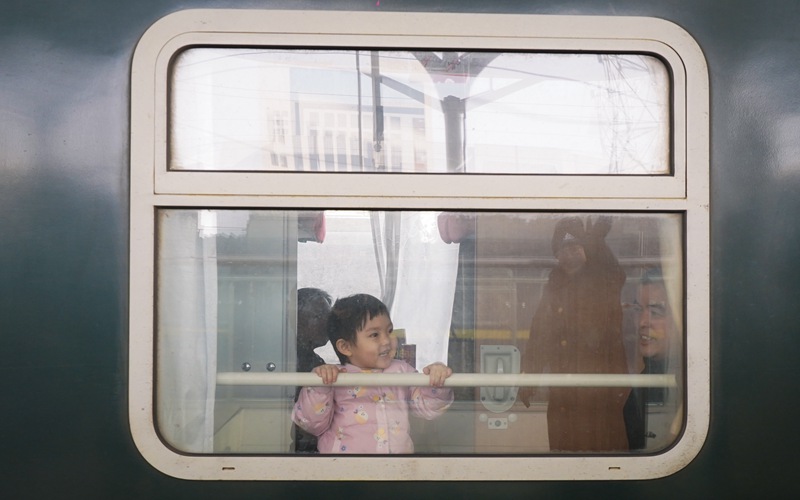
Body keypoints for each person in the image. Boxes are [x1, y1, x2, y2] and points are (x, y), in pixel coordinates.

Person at [520, 216, 631, 452]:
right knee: (564, 458)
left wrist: (596, 240)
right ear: (556, 256)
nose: (569, 254)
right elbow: (539, 336)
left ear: (586, 250)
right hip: (563, 394)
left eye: (575, 247)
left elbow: (614, 271)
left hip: (601, 393)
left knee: (603, 458)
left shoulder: (604, 280)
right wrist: (529, 378)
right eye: (563, 249)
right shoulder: (553, 287)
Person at [291, 293, 454, 453]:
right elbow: (311, 424)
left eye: (389, 331)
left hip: (395, 467)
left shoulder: (401, 371)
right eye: (374, 335)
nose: (386, 340)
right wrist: (320, 386)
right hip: (344, 467)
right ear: (345, 347)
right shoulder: (335, 377)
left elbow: (428, 408)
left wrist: (437, 380)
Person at [623, 267, 679, 450]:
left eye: (656, 313)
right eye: (638, 310)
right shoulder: (645, 382)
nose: (642, 322)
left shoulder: (685, 385)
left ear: (681, 318)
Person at [292, 288, 334, 453]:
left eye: (328, 317)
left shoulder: (314, 359)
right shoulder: (290, 359)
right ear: (295, 320)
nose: (326, 323)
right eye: (317, 316)